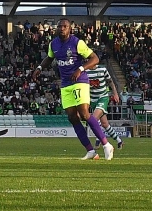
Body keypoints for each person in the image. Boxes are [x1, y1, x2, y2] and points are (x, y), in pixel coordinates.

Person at [32, 19, 114, 160]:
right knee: (72, 118)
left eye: (65, 26)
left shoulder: (77, 43)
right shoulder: (54, 44)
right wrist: (39, 68)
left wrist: (80, 69)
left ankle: (107, 145)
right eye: (60, 26)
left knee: (84, 114)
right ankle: (90, 151)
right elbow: (49, 58)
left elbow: (95, 59)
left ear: (70, 29)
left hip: (80, 81)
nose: (62, 28)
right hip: (65, 84)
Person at [86, 64, 124, 149]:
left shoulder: (102, 69)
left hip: (103, 97)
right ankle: (119, 140)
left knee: (94, 119)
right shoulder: (85, 71)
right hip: (92, 100)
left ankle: (99, 139)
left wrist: (115, 93)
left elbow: (110, 81)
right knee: (104, 124)